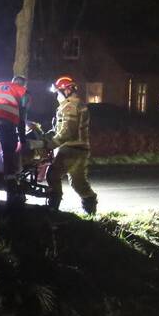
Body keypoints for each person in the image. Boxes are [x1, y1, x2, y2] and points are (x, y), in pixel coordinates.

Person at [46, 76, 97, 214]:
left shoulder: (70, 106)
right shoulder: (78, 104)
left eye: (58, 92)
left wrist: (49, 145)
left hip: (71, 149)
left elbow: (67, 131)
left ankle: (53, 209)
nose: (57, 95)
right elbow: (62, 128)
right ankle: (91, 209)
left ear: (66, 90)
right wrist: (49, 135)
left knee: (52, 175)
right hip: (81, 149)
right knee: (79, 183)